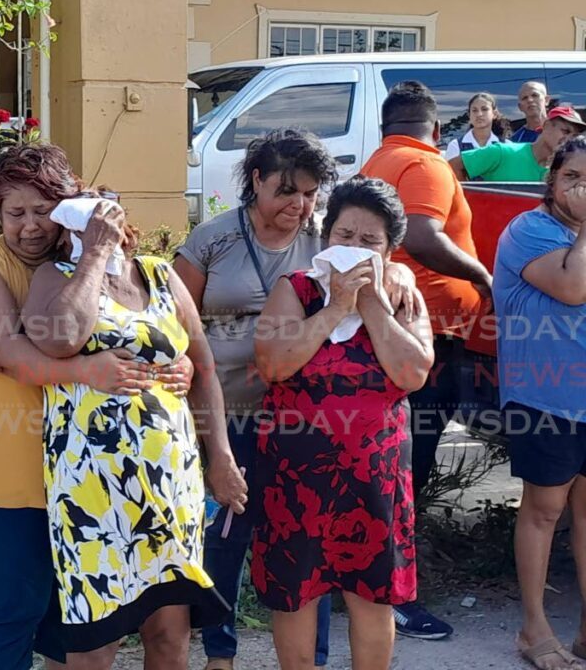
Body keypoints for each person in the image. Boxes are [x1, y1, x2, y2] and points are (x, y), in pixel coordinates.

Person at [0, 143, 193, 670]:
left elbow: (139, 333)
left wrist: (177, 367)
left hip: (81, 477)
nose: (29, 227)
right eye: (15, 214)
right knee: (13, 607)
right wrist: (84, 372)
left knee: (71, 617)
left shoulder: (73, 270)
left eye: (42, 212)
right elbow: (2, 354)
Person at [173, 128, 418, 670]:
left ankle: (319, 659)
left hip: (302, 422)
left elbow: (375, 252)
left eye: (309, 193)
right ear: (256, 181)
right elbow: (176, 320)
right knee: (226, 536)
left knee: (315, 559)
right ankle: (220, 651)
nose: (298, 205)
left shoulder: (322, 240)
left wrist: (394, 269)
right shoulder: (215, 239)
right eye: (287, 191)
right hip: (229, 406)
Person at [19, 190, 248, 669]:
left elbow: (203, 366)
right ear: (68, 235)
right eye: (84, 227)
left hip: (170, 484)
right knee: (93, 639)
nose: (99, 233)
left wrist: (220, 456)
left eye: (106, 223)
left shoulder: (159, 274)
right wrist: (95, 257)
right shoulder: (54, 279)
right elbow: (61, 338)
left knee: (169, 632)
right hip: (93, 492)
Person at [253, 176, 434, 670]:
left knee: (373, 592)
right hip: (297, 474)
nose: (353, 249)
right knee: (296, 591)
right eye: (344, 235)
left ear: (390, 250)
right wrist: (335, 307)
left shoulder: (400, 298)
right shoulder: (295, 290)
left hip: (374, 475)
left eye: (369, 241)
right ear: (325, 236)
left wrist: (372, 301)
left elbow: (412, 373)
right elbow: (273, 365)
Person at [363, 80, 492, 640]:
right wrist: (481, 275)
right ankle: (395, 596)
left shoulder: (378, 161)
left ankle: (379, 585)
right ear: (436, 128)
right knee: (407, 471)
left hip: (400, 331)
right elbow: (420, 234)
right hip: (427, 338)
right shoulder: (429, 163)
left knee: (399, 467)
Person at [493, 134, 586, 670]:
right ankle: (534, 629)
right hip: (546, 397)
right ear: (550, 181)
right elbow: (573, 287)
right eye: (572, 177)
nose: (581, 188)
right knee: (544, 511)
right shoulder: (530, 230)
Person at [450, 106, 585, 182]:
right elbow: (452, 167)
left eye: (574, 135)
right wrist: (467, 204)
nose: (569, 139)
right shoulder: (503, 152)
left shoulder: (565, 171)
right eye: (565, 131)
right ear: (547, 126)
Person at [443, 92, 509, 161]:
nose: (479, 114)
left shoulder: (506, 146)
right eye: (474, 110)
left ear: (494, 114)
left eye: (484, 109)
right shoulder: (456, 146)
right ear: (469, 115)